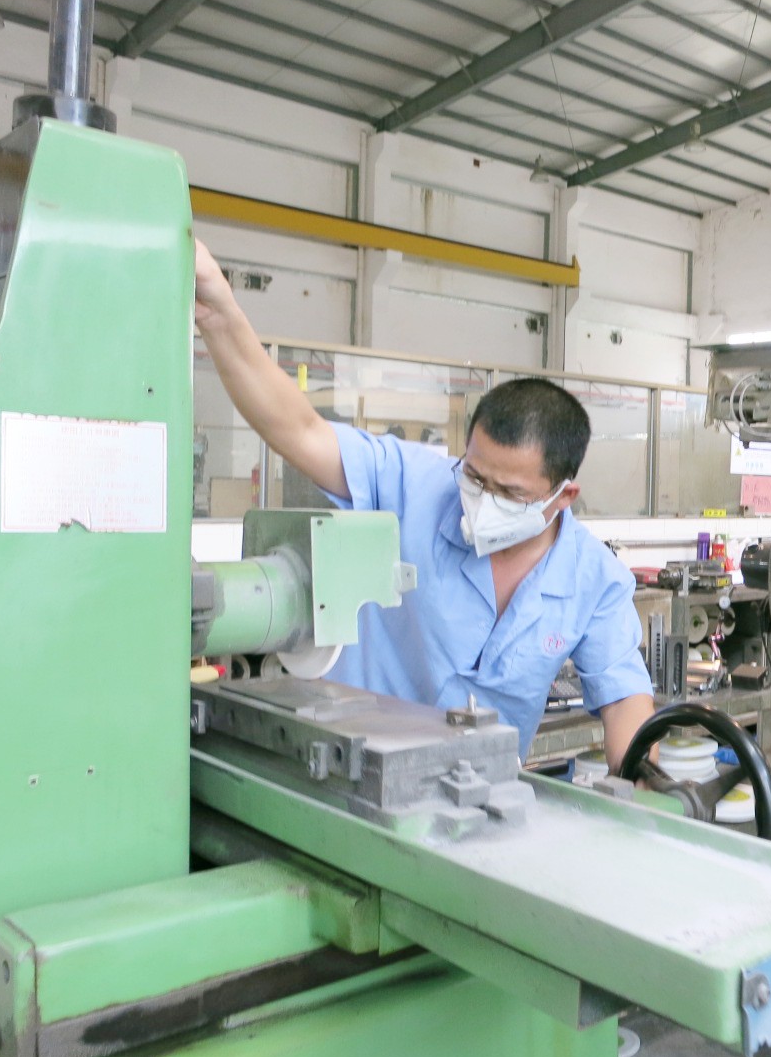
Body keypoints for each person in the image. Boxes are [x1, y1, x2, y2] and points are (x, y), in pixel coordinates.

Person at [192, 242, 655, 769]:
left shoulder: (595, 581)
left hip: (478, 798)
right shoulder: (409, 484)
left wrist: (643, 781)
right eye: (475, 476)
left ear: (563, 495)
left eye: (510, 493)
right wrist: (218, 311)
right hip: (347, 776)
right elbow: (298, 430)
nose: (483, 501)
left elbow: (624, 699)